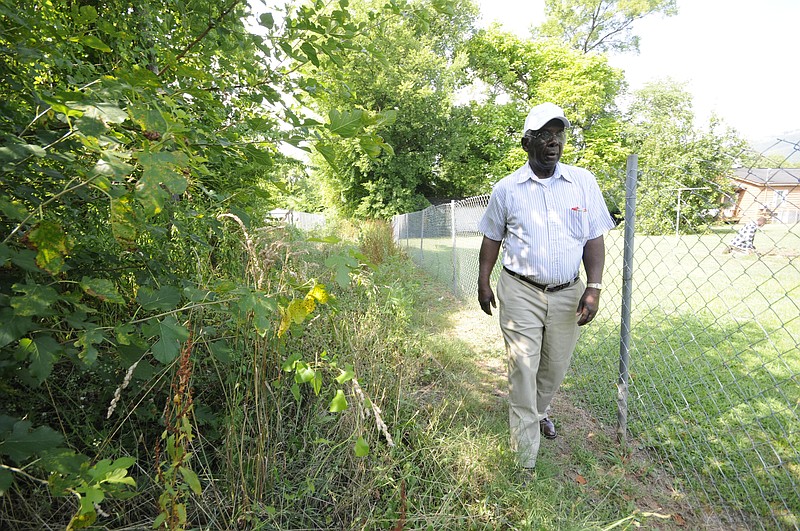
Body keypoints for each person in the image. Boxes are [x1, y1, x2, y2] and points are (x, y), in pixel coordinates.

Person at [477, 102, 616, 472]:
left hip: (568, 292)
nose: (552, 142)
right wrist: (483, 280)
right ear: (526, 144)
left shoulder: (582, 182)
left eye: (558, 135)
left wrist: (594, 287)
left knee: (553, 367)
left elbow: (593, 239)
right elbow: (492, 237)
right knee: (523, 366)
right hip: (520, 289)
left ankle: (537, 412)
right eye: (543, 135)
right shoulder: (507, 189)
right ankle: (525, 459)